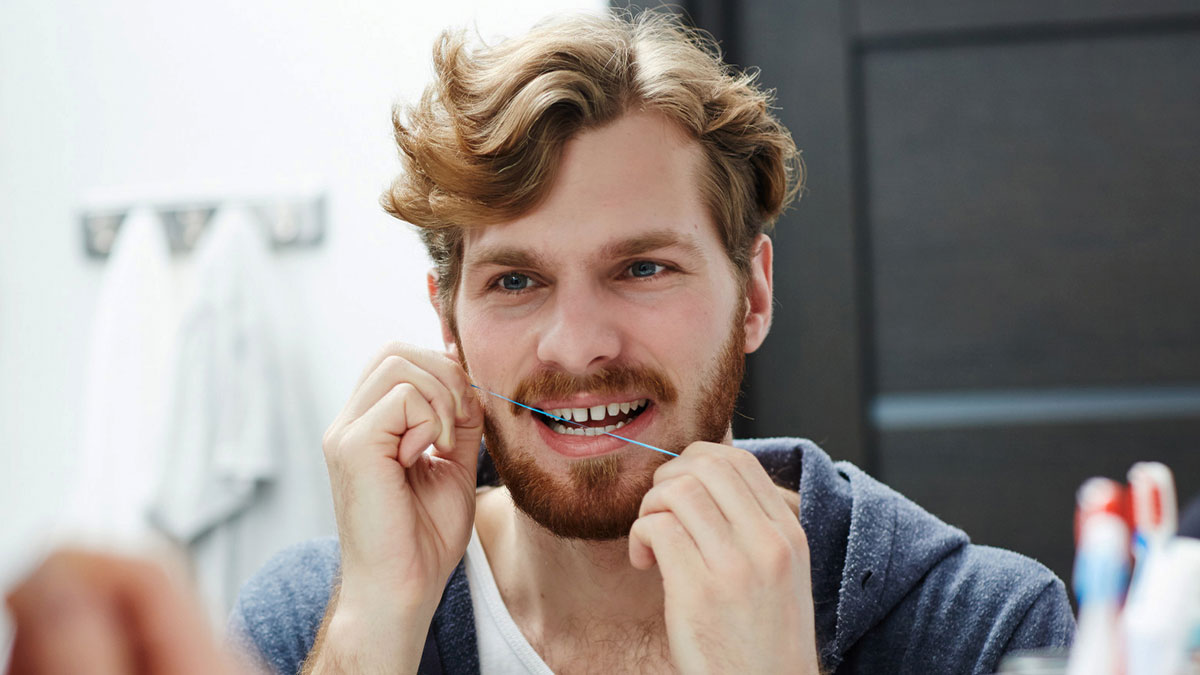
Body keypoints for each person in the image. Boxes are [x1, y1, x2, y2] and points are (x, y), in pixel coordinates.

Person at [4, 10, 1072, 675]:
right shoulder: (309, 622)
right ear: (448, 323)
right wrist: (374, 628)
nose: (578, 344)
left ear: (752, 293)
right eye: (515, 281)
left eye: (642, 268)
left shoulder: (986, 631)